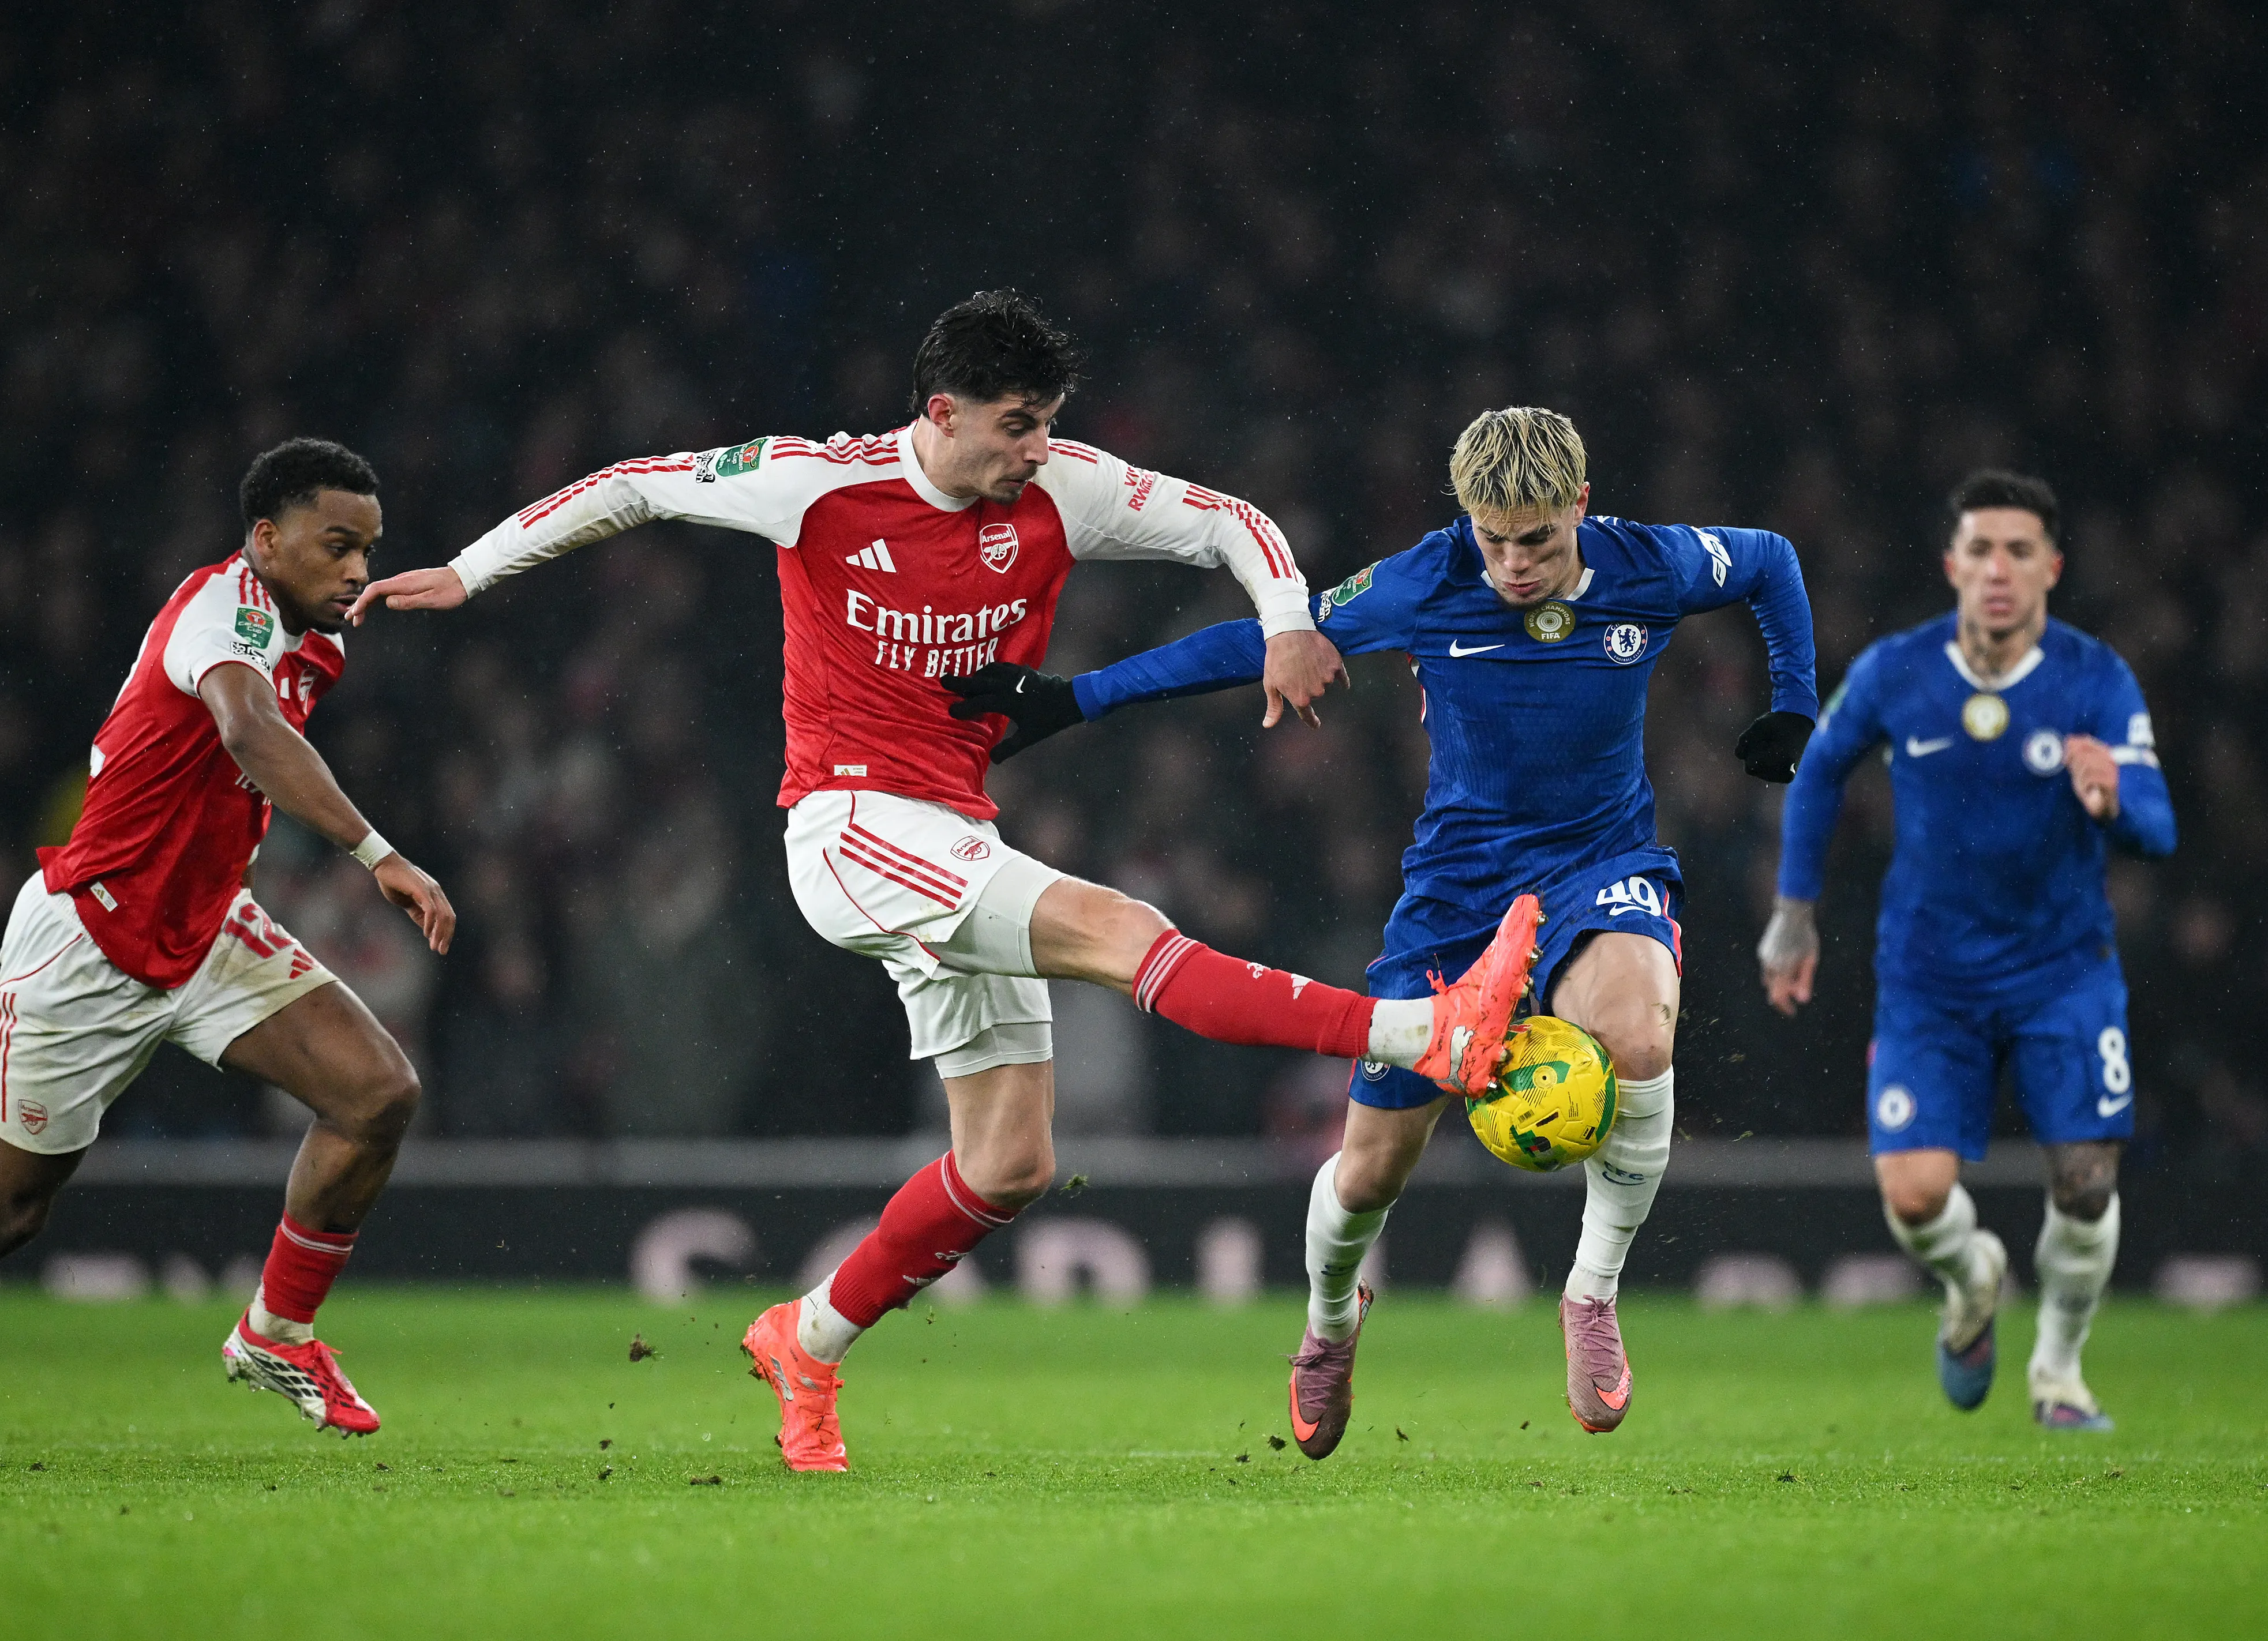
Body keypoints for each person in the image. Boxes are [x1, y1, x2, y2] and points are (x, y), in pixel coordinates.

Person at [350, 291, 1540, 1472]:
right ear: (943, 412)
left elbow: (1231, 519)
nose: (1038, 449)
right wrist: (470, 570)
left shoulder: (1063, 488)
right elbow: (635, 484)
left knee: (1010, 1161)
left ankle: (805, 1341)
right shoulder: (816, 483)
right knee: (1123, 928)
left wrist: (1286, 621)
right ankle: (1423, 1031)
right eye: (1017, 424)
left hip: (958, 831)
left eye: (1046, 423)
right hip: (847, 824)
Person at [956, 405, 1817, 1445]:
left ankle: (1589, 1296)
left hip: (1599, 864)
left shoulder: (1651, 565)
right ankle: (1328, 1324)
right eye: (1490, 538)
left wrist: (1795, 703)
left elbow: (1770, 562)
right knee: (1368, 1171)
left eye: (1535, 539)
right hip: (1456, 898)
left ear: (1579, 509)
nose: (1510, 563)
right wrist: (1074, 698)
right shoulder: (1427, 577)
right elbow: (1273, 633)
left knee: (1637, 1038)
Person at [0, 440, 456, 1455]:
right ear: (267, 539)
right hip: (90, 938)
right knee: (7, 1211)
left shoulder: (321, 644)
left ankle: (277, 1333)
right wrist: (376, 853)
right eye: (336, 545)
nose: (356, 570)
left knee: (378, 1092)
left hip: (209, 925)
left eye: (369, 549)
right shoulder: (220, 611)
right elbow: (250, 734)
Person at [1759, 470, 2174, 1431]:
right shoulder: (1899, 671)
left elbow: (2157, 824)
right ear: (1951, 564)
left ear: (2051, 569)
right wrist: (1794, 910)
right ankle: (1973, 1275)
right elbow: (1818, 771)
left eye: (2019, 552)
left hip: (2062, 971)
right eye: (1981, 550)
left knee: (2084, 1180)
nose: (1998, 569)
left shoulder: (2092, 678)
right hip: (1929, 977)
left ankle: (2058, 1375)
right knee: (1914, 1197)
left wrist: (2113, 797)